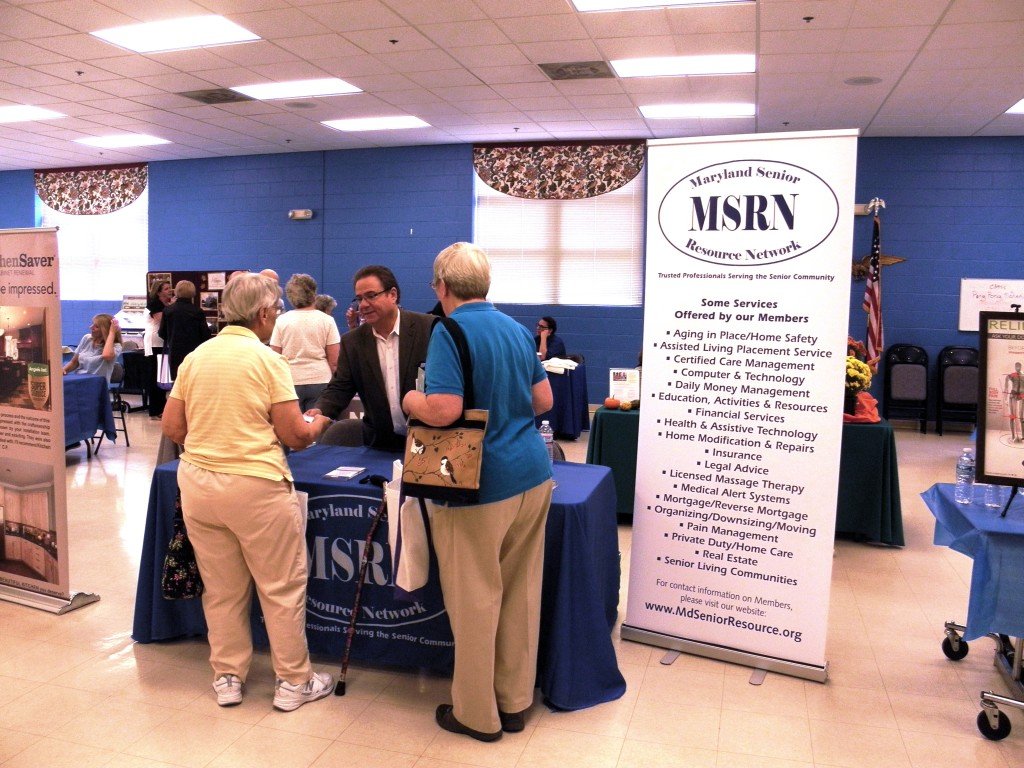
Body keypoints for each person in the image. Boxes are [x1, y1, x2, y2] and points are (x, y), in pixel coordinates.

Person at [162, 273, 335, 712]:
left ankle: (227, 677)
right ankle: (294, 681)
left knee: (220, 589)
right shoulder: (267, 361)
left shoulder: (196, 358)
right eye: (275, 311)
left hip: (199, 484)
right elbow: (295, 436)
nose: (276, 317)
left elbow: (173, 428)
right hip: (256, 487)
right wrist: (320, 422)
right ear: (261, 314)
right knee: (280, 586)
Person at [402, 242, 554, 742]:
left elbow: (443, 410)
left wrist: (411, 399)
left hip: (476, 483)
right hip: (532, 475)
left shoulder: (449, 330)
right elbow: (543, 399)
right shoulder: (515, 328)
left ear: (442, 286)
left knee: (474, 600)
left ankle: (475, 714)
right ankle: (513, 702)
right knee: (518, 593)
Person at [306, 266, 434, 452]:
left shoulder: (428, 329)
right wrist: (320, 410)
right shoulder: (353, 342)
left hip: (427, 443)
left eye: (371, 295)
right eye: (359, 299)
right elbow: (340, 387)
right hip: (379, 446)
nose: (363, 304)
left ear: (393, 295)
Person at [270, 274, 340, 411]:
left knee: (292, 430)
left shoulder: (281, 321)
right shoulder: (327, 320)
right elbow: (334, 361)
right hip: (320, 381)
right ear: (313, 293)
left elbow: (275, 358)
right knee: (317, 428)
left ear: (290, 296)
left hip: (290, 382)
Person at [159, 280, 212, 379]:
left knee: (177, 382)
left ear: (177, 291)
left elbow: (162, 333)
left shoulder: (168, 310)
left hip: (174, 352)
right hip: (194, 353)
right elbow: (205, 335)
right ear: (192, 293)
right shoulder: (198, 312)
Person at [144, 279, 175, 419]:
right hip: (154, 342)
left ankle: (162, 407)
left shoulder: (165, 304)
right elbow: (161, 320)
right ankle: (155, 410)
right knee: (155, 376)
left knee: (162, 375)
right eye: (166, 289)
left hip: (162, 342)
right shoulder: (155, 304)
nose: (170, 290)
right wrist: (172, 306)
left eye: (170, 288)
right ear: (158, 292)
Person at [63, 314, 122, 382]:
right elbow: (74, 362)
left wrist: (112, 332)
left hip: (96, 385)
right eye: (92, 324)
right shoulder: (87, 338)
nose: (91, 327)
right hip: (79, 381)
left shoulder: (116, 346)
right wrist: (63, 370)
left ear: (105, 330)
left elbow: (106, 355)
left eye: (96, 326)